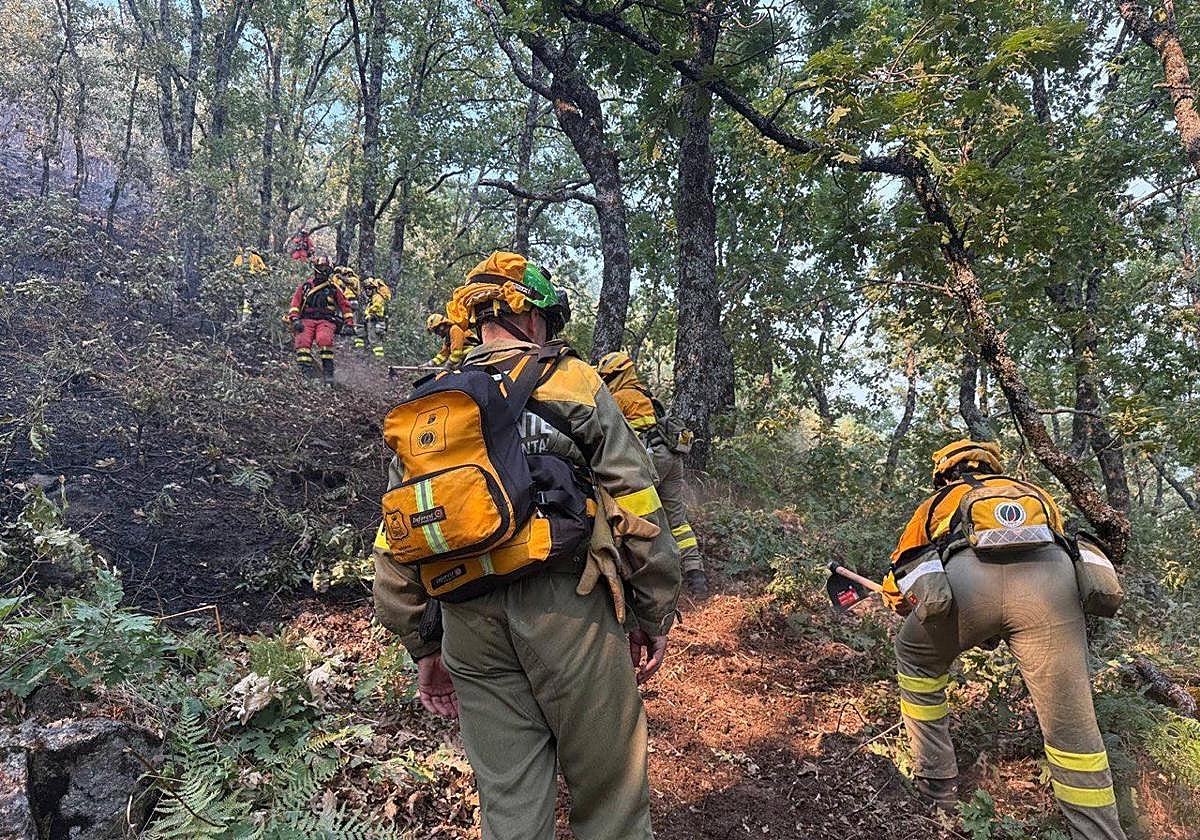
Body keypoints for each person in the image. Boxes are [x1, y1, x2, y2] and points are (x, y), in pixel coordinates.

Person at [373, 251, 680, 840]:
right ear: (536, 317)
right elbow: (637, 502)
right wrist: (653, 609)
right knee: (610, 791)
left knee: (509, 802)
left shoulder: (435, 404)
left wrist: (424, 645)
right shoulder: (573, 380)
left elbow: (397, 538)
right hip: (567, 609)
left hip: (467, 621)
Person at [882, 439, 1126, 840]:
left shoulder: (939, 502)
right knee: (1073, 726)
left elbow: (903, 570)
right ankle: (1098, 833)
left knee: (915, 659)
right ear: (993, 467)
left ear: (944, 472)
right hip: (1052, 592)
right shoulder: (1036, 495)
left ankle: (937, 792)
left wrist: (900, 604)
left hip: (967, 588)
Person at [597, 351, 710, 598]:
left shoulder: (619, 398)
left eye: (608, 376)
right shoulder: (646, 396)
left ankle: (640, 581)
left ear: (618, 374)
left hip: (649, 461)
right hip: (671, 459)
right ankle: (695, 575)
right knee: (677, 521)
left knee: (629, 514)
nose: (605, 382)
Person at [284, 254, 354, 385]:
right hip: (306, 320)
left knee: (324, 340)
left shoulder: (333, 288)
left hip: (326, 320)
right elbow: (295, 304)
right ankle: (306, 376)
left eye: (326, 267)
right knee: (302, 343)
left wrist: (349, 324)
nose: (324, 269)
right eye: (322, 267)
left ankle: (329, 377)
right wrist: (295, 319)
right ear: (316, 268)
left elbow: (345, 306)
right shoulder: (305, 287)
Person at [356, 276, 391, 360]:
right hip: (369, 321)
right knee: (360, 334)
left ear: (374, 289)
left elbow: (377, 306)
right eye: (366, 289)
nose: (367, 291)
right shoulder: (372, 298)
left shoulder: (378, 297)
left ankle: (379, 359)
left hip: (375, 321)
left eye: (370, 288)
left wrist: (369, 312)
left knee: (374, 341)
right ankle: (360, 352)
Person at [231, 246, 268, 321]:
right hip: (251, 280)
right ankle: (246, 320)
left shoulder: (239, 257)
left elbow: (234, 269)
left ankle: (239, 320)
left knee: (240, 302)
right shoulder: (256, 257)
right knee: (248, 301)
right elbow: (264, 270)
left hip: (239, 282)